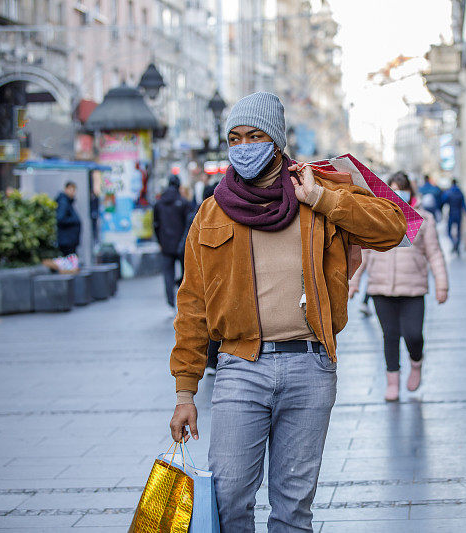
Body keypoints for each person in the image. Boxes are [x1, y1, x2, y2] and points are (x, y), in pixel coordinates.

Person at [168, 92, 407, 533]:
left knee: (293, 508)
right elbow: (193, 305)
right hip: (241, 366)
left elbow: (394, 227)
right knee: (228, 499)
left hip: (310, 364)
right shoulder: (212, 213)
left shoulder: (318, 189)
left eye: (255, 136)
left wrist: (323, 199)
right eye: (235, 139)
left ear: (276, 141)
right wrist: (186, 393)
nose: (244, 147)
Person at [349, 171, 448, 401]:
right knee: (390, 335)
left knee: (414, 335)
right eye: (392, 188)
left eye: (401, 188)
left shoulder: (421, 218)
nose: (397, 193)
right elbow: (363, 252)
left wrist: (441, 285)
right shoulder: (375, 217)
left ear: (410, 191)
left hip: (413, 288)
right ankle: (392, 381)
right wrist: (353, 283)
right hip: (380, 288)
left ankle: (416, 362)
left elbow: (434, 254)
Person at [153, 175, 193, 308]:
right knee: (185, 274)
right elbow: (189, 224)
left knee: (167, 273)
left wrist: (160, 241)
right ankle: (184, 302)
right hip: (182, 244)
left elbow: (156, 225)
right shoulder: (183, 203)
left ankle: (170, 300)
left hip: (165, 244)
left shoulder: (159, 203)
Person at [442, 179, 466, 255]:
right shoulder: (460, 192)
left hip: (451, 213)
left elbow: (444, 200)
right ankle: (457, 244)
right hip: (459, 213)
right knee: (459, 231)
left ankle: (454, 243)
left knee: (448, 231)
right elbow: (464, 204)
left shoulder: (449, 192)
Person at [55, 181, 81, 256]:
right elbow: (60, 219)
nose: (73, 192)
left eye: (74, 190)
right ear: (66, 189)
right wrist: (74, 221)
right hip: (67, 241)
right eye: (71, 190)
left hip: (69, 241)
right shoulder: (64, 202)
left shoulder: (67, 202)